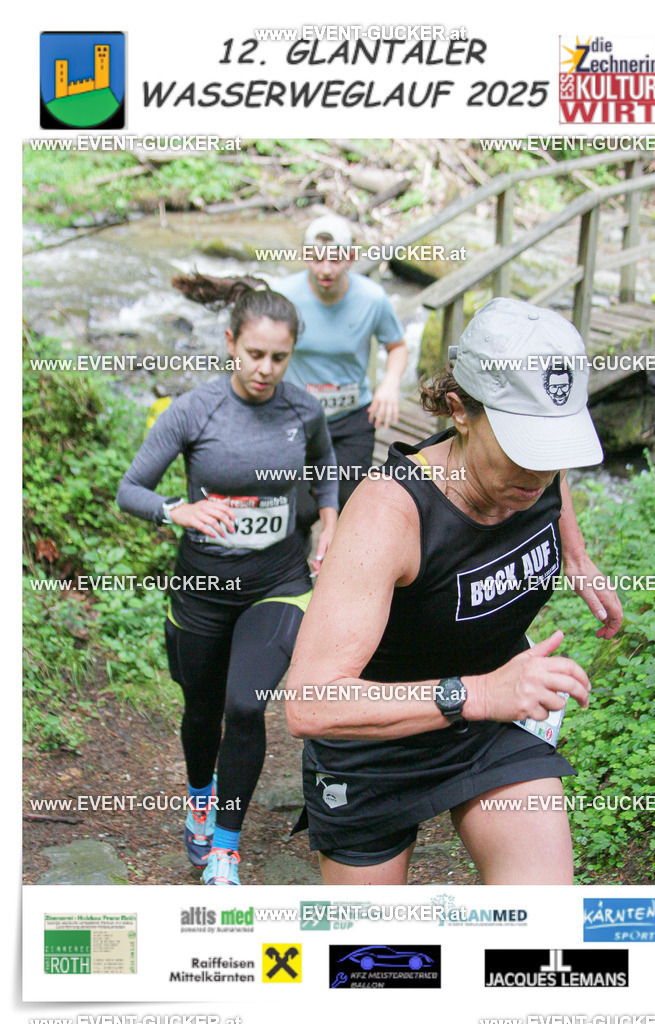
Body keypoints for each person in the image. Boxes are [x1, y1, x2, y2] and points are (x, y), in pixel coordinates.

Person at [285, 298, 623, 885]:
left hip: (487, 722)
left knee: (542, 925)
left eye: (556, 447)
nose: (541, 475)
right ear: (459, 410)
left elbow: (554, 483)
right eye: (523, 447)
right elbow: (310, 703)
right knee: (376, 968)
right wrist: (482, 692)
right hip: (375, 745)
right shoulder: (391, 514)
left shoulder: (536, 466)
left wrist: (576, 552)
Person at [116, 282, 339, 885]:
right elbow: (129, 489)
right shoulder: (194, 410)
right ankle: (199, 795)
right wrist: (176, 511)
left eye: (279, 357)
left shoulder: (304, 410)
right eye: (254, 354)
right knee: (203, 707)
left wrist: (328, 522)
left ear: (292, 354)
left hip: (279, 582)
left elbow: (325, 472)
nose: (265, 370)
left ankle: (225, 848)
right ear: (230, 344)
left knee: (246, 706)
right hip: (202, 589)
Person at [274, 214, 408, 521]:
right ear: (306, 255)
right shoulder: (284, 296)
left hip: (352, 419)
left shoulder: (372, 298)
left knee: (349, 507)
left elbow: (397, 346)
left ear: (350, 257)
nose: (325, 270)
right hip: (296, 417)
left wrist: (389, 384)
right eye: (317, 258)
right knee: (299, 509)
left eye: (335, 260)